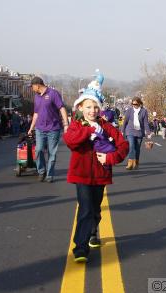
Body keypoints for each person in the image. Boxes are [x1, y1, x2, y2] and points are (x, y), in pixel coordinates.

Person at [63, 76, 128, 263]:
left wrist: (110, 157)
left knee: (96, 209)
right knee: (85, 209)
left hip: (100, 175)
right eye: (88, 107)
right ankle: (80, 248)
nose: (92, 110)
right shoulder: (76, 126)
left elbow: (123, 146)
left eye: (95, 107)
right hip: (81, 174)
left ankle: (92, 232)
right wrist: (90, 131)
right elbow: (70, 142)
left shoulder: (106, 127)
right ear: (80, 108)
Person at [27, 76, 69, 183]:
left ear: (37, 85)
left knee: (52, 153)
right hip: (40, 129)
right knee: (39, 150)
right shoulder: (36, 97)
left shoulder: (53, 93)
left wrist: (66, 124)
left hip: (53, 129)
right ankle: (41, 171)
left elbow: (62, 108)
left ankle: (49, 175)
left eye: (32, 86)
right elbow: (36, 113)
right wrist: (31, 128)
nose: (32, 89)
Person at [122, 96, 152, 170]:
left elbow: (145, 123)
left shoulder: (144, 111)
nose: (134, 105)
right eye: (133, 104)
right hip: (130, 131)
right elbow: (125, 121)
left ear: (139, 103)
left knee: (137, 148)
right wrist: (122, 131)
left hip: (139, 132)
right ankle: (130, 163)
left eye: (135, 104)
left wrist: (148, 133)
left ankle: (136, 162)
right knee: (131, 146)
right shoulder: (129, 110)